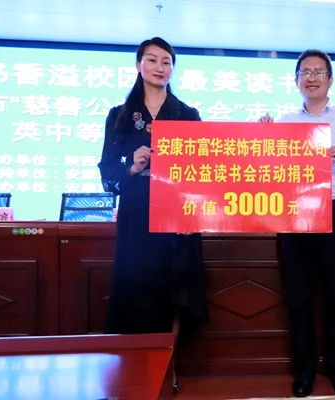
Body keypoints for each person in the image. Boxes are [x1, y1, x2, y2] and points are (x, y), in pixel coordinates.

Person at [259, 49, 335, 397]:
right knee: (300, 295)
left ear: (330, 79)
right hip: (296, 212)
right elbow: (268, 169)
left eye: (318, 72)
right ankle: (306, 369)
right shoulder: (284, 122)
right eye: (305, 72)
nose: (312, 78)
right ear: (296, 80)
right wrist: (261, 138)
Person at [98, 37, 208, 393]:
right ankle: (133, 369)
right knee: (137, 289)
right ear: (138, 65)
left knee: (174, 290)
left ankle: (167, 368)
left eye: (166, 61)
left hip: (177, 217)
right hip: (137, 214)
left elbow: (204, 170)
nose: (160, 67)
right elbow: (107, 171)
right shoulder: (119, 115)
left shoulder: (187, 114)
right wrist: (132, 167)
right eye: (152, 60)